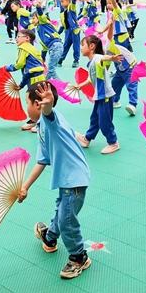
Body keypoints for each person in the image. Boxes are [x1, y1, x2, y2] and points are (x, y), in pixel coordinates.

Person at [17, 81, 92, 279]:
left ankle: (79, 257)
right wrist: (25, 187)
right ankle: (50, 238)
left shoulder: (51, 119)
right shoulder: (41, 127)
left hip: (74, 180)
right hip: (65, 179)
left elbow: (49, 113)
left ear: (37, 105)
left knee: (67, 220)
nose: (26, 107)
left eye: (27, 102)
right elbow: (42, 161)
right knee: (62, 210)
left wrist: (47, 105)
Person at [75, 35, 123, 154]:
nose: (81, 48)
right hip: (99, 95)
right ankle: (87, 139)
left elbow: (103, 58)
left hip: (105, 96)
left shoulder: (96, 58)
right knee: (95, 119)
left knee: (104, 121)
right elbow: (91, 79)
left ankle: (113, 143)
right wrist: (80, 85)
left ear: (91, 46)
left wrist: (112, 58)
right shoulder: (92, 63)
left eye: (82, 45)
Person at [4, 29, 46, 132]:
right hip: (38, 77)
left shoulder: (23, 48)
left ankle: (40, 122)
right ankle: (34, 120)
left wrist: (8, 68)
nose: (16, 38)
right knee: (35, 99)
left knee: (33, 101)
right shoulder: (33, 48)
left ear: (27, 38)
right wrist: (22, 84)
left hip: (33, 78)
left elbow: (19, 64)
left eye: (18, 36)